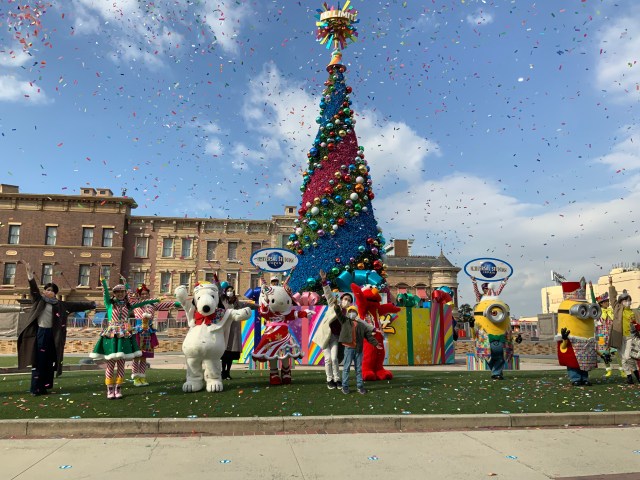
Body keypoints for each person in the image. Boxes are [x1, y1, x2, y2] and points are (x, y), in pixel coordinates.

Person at [17, 262, 97, 396]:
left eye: (51, 290)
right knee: (39, 361)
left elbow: (77, 305)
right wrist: (30, 274)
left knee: (49, 362)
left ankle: (44, 387)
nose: (48, 291)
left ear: (54, 293)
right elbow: (33, 289)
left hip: (54, 336)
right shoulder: (39, 300)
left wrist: (93, 304)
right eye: (46, 289)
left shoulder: (61, 305)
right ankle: (35, 389)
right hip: (41, 333)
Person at [90, 278, 158, 399]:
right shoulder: (109, 303)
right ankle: (110, 389)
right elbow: (105, 293)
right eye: (118, 292)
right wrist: (104, 282)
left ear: (125, 293)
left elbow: (141, 303)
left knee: (121, 363)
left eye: (122, 292)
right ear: (114, 293)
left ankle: (118, 388)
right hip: (112, 334)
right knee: (111, 363)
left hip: (124, 334)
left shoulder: (128, 305)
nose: (120, 294)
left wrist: (156, 300)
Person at [130, 283, 177, 387]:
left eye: (146, 294)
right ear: (139, 295)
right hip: (138, 332)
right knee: (136, 356)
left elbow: (165, 305)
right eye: (142, 294)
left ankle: (142, 377)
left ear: (149, 294)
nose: (144, 295)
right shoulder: (136, 304)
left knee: (144, 357)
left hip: (148, 333)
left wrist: (176, 303)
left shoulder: (152, 305)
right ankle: (136, 378)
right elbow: (130, 298)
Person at [319, 269, 353, 389]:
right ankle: (329, 380)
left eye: (349, 300)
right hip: (325, 335)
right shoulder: (334, 304)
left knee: (334, 358)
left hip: (335, 337)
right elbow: (328, 293)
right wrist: (324, 281)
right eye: (345, 299)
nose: (346, 301)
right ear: (341, 299)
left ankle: (337, 379)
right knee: (328, 359)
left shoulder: (348, 314)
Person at [338, 306, 382, 394]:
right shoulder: (345, 321)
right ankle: (345, 386)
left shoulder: (361, 325)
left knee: (358, 369)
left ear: (356, 313)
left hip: (358, 349)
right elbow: (338, 313)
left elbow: (369, 336)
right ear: (347, 313)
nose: (352, 313)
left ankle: (360, 386)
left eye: (354, 311)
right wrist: (336, 305)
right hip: (348, 348)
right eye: (350, 311)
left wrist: (376, 344)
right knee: (346, 368)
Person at [219, 281, 256, 380]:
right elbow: (218, 289)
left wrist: (260, 306)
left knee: (231, 354)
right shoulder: (223, 301)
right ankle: (223, 372)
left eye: (231, 290)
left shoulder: (237, 303)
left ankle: (228, 372)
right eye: (228, 290)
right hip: (225, 328)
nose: (229, 292)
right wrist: (216, 279)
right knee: (224, 353)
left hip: (234, 330)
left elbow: (248, 305)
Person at [607, 276, 640, 385]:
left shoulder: (635, 312)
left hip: (631, 337)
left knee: (628, 357)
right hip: (619, 337)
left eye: (629, 300)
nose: (628, 302)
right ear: (621, 302)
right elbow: (612, 298)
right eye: (625, 300)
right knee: (623, 358)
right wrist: (611, 284)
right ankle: (629, 377)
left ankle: (636, 375)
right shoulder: (617, 309)